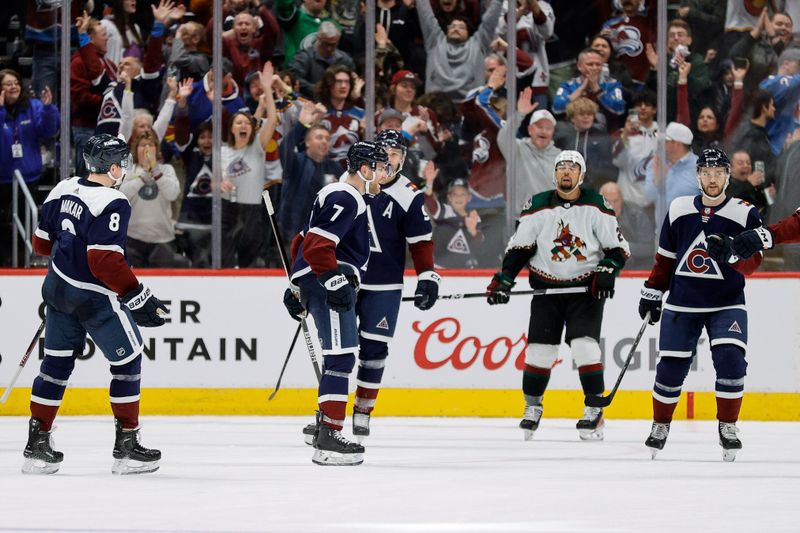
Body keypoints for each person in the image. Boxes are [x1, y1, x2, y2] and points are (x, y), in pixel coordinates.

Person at [24, 134, 166, 475]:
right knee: (129, 360)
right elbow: (103, 261)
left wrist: (69, 247)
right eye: (123, 164)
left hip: (57, 290)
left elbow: (41, 245)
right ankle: (127, 444)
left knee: (55, 367)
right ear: (114, 168)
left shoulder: (62, 188)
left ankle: (36, 444)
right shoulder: (114, 202)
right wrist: (137, 294)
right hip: (93, 297)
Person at [297, 129, 440, 444]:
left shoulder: (407, 193)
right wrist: (315, 278)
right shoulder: (348, 190)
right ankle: (329, 422)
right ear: (368, 163)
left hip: (381, 283)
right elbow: (315, 239)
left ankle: (361, 411)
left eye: (396, 155)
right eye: (384, 155)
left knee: (368, 349)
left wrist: (427, 274)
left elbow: (420, 240)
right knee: (340, 349)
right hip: (340, 279)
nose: (389, 163)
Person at [485, 150, 630, 441]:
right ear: (554, 174)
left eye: (573, 168)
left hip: (585, 290)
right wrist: (504, 279)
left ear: (582, 175)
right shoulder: (537, 206)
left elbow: (618, 248)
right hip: (547, 289)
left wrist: (607, 270)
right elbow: (520, 248)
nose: (566, 172)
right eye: (561, 167)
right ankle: (532, 407)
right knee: (540, 350)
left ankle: (593, 409)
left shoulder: (596, 205)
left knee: (585, 347)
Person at [639, 148, 763, 462]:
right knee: (671, 367)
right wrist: (653, 291)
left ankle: (728, 426)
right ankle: (660, 424)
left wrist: (734, 256)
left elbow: (754, 263)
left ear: (727, 176)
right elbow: (666, 258)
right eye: (706, 173)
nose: (712, 178)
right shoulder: (679, 208)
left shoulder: (745, 212)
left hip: (727, 302)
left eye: (718, 172)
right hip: (683, 301)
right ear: (698, 176)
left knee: (731, 361)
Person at [285, 141, 389, 466]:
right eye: (380, 168)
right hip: (330, 279)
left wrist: (295, 285)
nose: (383, 176)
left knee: (339, 357)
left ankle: (323, 425)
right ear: (364, 169)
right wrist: (331, 279)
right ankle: (329, 435)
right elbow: (316, 246)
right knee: (341, 358)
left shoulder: (336, 195)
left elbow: (300, 241)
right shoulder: (346, 196)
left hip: (321, 279)